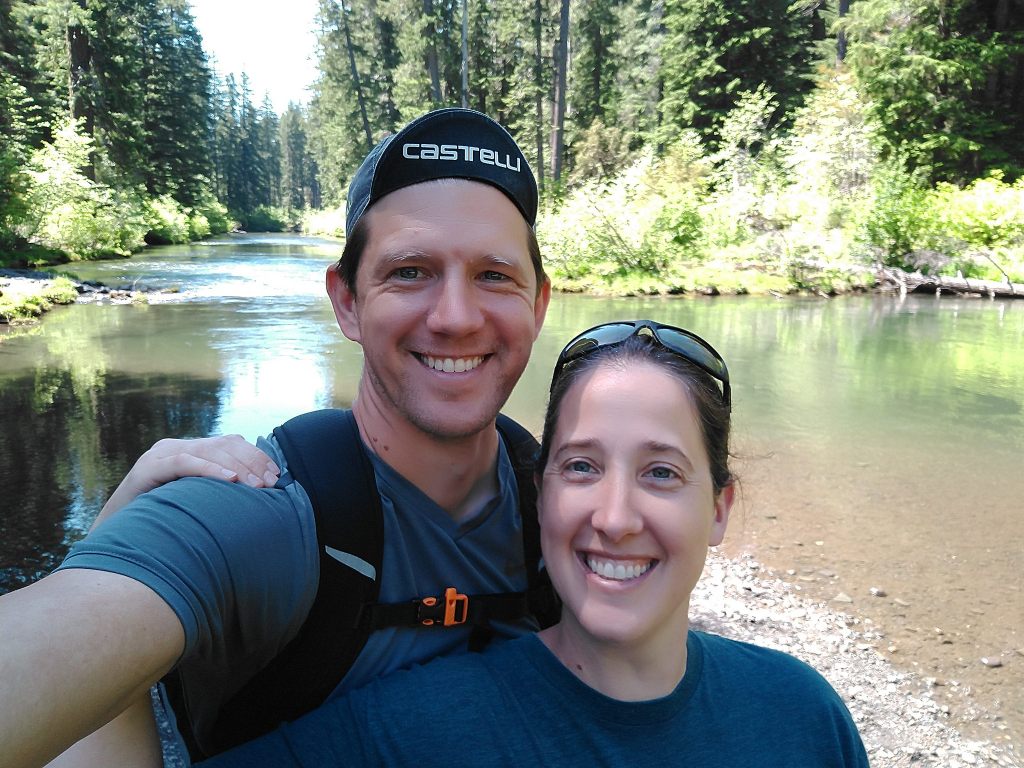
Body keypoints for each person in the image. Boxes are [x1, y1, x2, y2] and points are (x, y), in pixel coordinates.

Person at [0, 107, 551, 768]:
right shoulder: (258, 512)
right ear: (346, 301)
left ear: (539, 304)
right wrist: (105, 543)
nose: (457, 317)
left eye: (494, 275)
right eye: (410, 271)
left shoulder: (568, 511)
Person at [192, 320, 869, 767]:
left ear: (718, 510)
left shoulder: (801, 718)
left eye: (661, 473)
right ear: (542, 496)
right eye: (581, 466)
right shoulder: (416, 734)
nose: (615, 517)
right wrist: (117, 538)